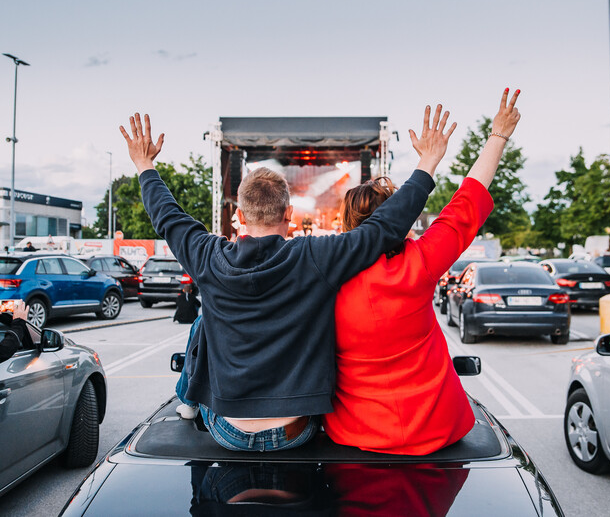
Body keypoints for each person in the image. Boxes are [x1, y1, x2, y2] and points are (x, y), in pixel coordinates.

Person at [119, 108, 449, 452]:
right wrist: (427, 163)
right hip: (296, 430)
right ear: (289, 214)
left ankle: (186, 399)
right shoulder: (314, 257)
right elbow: (383, 228)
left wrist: (145, 165)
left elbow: (167, 216)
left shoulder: (207, 256)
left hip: (226, 429)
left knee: (204, 321)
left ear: (241, 216)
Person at [323, 88, 521, 455]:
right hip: (437, 431)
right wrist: (499, 134)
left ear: (347, 224)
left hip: (355, 434)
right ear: (399, 218)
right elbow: (470, 197)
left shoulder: (325, 273)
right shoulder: (422, 260)